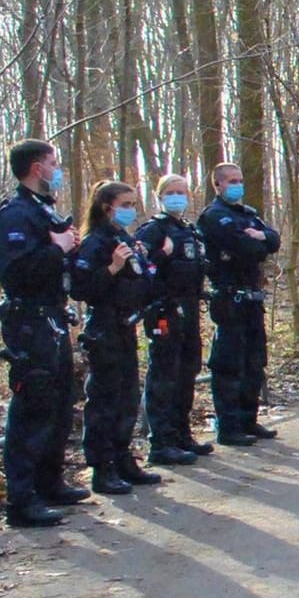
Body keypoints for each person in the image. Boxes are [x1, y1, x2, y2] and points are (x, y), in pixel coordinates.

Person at [0, 141, 84, 527]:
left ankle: (50, 482)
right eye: (53, 164)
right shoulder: (16, 214)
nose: (57, 169)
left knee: (60, 404)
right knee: (33, 405)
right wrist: (57, 248)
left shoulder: (45, 211)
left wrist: (68, 246)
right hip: (29, 322)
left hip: (54, 317)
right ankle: (21, 499)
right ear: (35, 168)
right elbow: (16, 272)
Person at [70, 181, 160, 495]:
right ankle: (102, 466)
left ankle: (123, 458)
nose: (131, 210)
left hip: (126, 325)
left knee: (126, 398)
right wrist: (112, 267)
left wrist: (143, 263)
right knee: (104, 400)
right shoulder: (95, 242)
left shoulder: (125, 237)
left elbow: (144, 282)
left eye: (134, 204)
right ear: (107, 207)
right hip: (103, 327)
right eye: (126, 204)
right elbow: (81, 288)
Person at [201, 163, 282, 446]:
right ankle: (229, 426)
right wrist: (256, 242)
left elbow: (272, 240)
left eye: (240, 179)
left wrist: (260, 238)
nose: (237, 184)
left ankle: (249, 419)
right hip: (228, 297)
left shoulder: (249, 214)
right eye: (231, 181)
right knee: (229, 364)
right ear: (218, 185)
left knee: (254, 362)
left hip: (252, 298)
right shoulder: (213, 216)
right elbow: (244, 248)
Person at [138, 175, 213, 465]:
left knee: (187, 371)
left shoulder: (189, 231)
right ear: (159, 196)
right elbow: (142, 270)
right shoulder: (153, 231)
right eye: (170, 192)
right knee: (164, 375)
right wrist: (162, 253)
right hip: (163, 311)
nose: (177, 197)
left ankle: (182, 433)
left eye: (181, 192)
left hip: (189, 307)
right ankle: (161, 441)